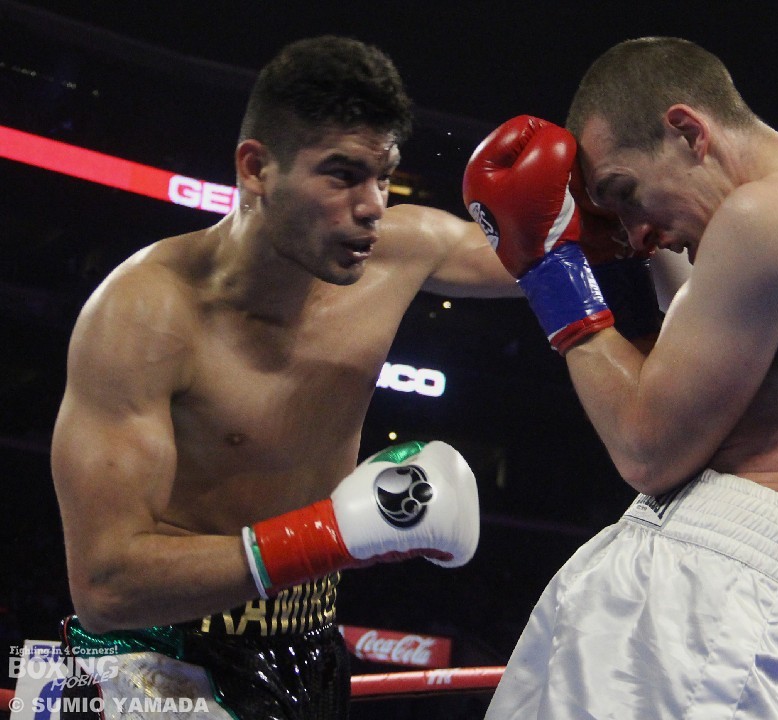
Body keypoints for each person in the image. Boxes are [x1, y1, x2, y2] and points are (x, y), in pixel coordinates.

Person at [463, 37, 778, 719]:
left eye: (624, 194)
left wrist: (550, 271)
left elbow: (645, 447)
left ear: (689, 132)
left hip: (703, 611)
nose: (633, 235)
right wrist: (619, 237)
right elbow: (689, 328)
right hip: (727, 613)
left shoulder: (771, 217)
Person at [49, 35, 519, 719]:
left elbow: (549, 256)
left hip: (309, 638)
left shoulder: (401, 250)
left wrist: (618, 197)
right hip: (149, 654)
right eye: (342, 175)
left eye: (383, 175)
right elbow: (105, 587)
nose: (373, 204)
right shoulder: (145, 314)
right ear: (256, 168)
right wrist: (332, 535)